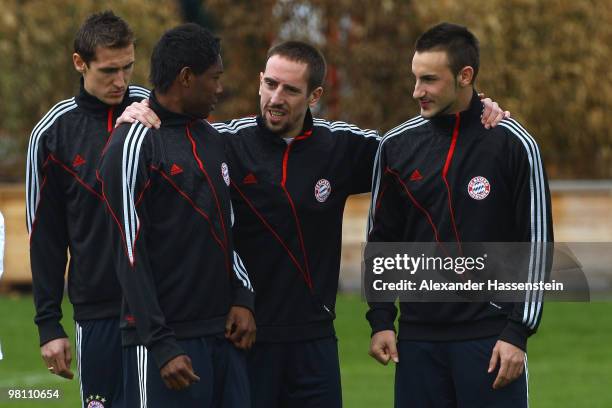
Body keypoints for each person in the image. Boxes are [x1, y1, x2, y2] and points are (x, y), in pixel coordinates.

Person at [119, 41, 508, 408]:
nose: (275, 98)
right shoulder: (224, 143)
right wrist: (136, 110)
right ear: (259, 81)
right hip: (243, 337)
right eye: (269, 84)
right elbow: (167, 131)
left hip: (315, 341)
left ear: (314, 97)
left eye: (290, 89)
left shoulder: (343, 146)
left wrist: (476, 107)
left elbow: (417, 146)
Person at [366, 22, 553, 407]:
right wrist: (382, 319)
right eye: (415, 78)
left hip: (489, 342)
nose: (417, 91)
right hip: (416, 344)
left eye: (430, 79)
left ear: (465, 76)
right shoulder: (396, 146)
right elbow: (382, 239)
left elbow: (536, 245)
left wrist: (517, 332)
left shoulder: (514, 144)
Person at [98, 23, 255, 407]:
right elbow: (128, 251)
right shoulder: (133, 143)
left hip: (222, 336)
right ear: (186, 78)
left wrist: (243, 296)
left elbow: (226, 230)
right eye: (214, 78)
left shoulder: (212, 138)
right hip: (164, 346)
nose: (220, 89)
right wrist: (161, 343)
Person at [25, 11, 149, 407]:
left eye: (128, 67)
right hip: (98, 311)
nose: (121, 82)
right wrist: (48, 324)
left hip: (160, 308)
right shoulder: (52, 133)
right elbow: (44, 236)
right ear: (80, 63)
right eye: (109, 70)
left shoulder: (156, 112)